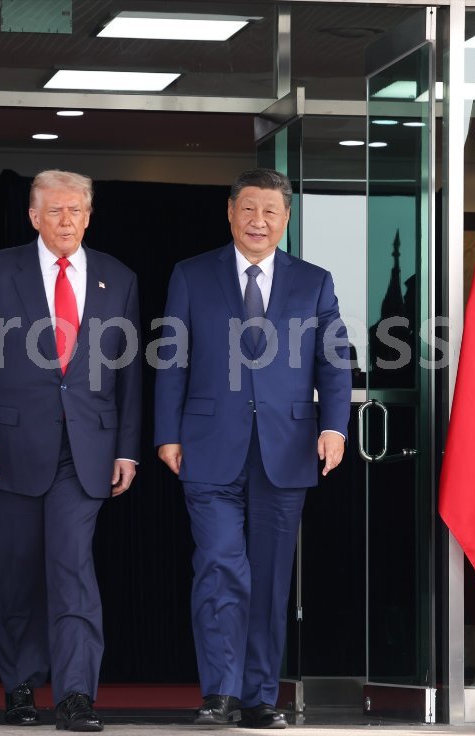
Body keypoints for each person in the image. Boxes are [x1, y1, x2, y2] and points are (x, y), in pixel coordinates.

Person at [154, 168, 351, 729]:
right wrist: (167, 432)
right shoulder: (192, 275)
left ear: (286, 219)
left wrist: (334, 428)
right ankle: (220, 691)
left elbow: (334, 362)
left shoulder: (314, 282)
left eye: (270, 211)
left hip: (285, 450)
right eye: (248, 209)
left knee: (267, 579)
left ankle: (259, 696)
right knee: (220, 564)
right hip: (207, 445)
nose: (258, 221)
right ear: (230, 212)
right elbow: (172, 359)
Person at [0, 169, 141, 732]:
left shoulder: (118, 277)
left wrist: (127, 449)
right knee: (15, 573)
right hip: (8, 447)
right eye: (55, 211)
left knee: (71, 567)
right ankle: (19, 686)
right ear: (33, 216)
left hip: (84, 451)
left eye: (76, 210)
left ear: (89, 216)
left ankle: (76, 694)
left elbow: (129, 374)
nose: (66, 221)